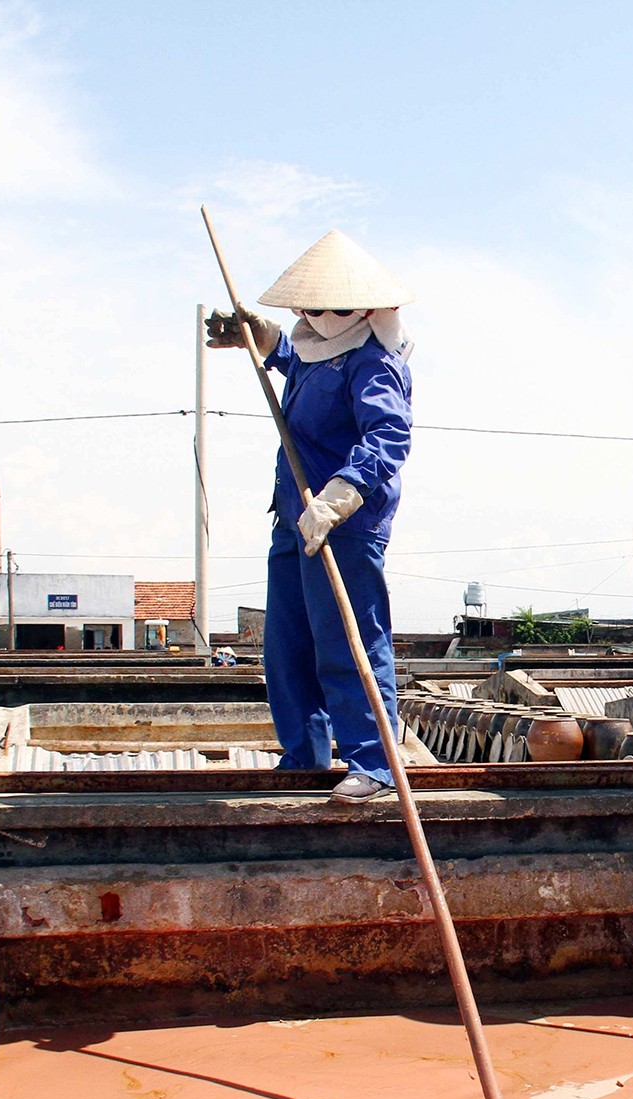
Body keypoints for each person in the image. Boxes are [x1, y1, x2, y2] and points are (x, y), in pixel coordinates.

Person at [207, 230, 414, 804]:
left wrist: (341, 495)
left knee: (348, 641)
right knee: (289, 643)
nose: (316, 317)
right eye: (307, 309)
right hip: (295, 517)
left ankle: (372, 762)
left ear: (363, 309)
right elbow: (295, 360)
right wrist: (262, 337)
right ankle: (306, 754)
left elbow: (389, 435)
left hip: (342, 522)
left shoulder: (374, 362)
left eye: (329, 308)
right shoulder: (316, 347)